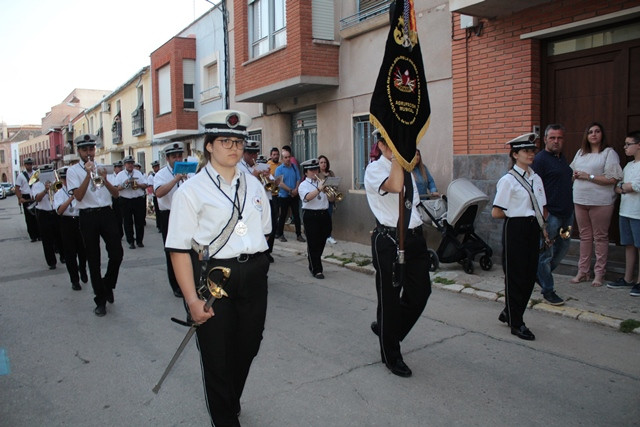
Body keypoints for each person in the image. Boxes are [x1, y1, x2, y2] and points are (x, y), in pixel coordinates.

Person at [165, 109, 271, 426]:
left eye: (238, 141)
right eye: (225, 141)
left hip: (254, 273)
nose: (234, 148)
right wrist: (192, 301)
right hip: (214, 277)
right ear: (209, 145)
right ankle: (224, 417)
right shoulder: (191, 191)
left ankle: (229, 399)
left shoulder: (253, 185)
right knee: (216, 354)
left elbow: (264, 230)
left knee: (249, 346)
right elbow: (179, 250)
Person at [364, 130, 431, 377]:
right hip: (390, 239)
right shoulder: (375, 169)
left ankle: (387, 332)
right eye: (392, 141)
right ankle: (390, 354)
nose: (399, 146)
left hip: (413, 237)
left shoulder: (407, 169)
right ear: (381, 145)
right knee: (390, 299)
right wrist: (395, 158)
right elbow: (394, 186)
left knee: (420, 293)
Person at [492, 133, 546, 341]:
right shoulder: (508, 180)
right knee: (516, 276)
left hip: (533, 228)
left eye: (532, 150)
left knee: (529, 275)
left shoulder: (536, 177)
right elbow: (497, 212)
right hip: (515, 227)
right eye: (526, 151)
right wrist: (517, 213)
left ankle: (510, 311)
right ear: (515, 155)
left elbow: (541, 206)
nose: (531, 154)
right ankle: (517, 322)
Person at [66, 134, 123, 317]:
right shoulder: (73, 171)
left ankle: (107, 285)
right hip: (87, 215)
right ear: (79, 152)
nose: (89, 153)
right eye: (85, 150)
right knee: (93, 259)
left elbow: (115, 194)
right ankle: (100, 300)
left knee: (117, 253)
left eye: (91, 149)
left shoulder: (103, 167)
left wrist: (104, 179)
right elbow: (79, 196)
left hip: (106, 212)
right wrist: (88, 175)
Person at [570, 122, 623, 287]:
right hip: (580, 199)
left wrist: (589, 176)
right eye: (590, 132)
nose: (593, 134)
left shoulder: (609, 153)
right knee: (584, 237)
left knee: (600, 237)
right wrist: (574, 176)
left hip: (601, 202)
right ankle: (583, 271)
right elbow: (571, 172)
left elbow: (613, 179)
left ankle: (599, 273)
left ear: (602, 134)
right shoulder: (580, 153)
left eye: (597, 131)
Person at [532, 124, 573, 306]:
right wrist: (543, 214)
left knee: (564, 247)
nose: (556, 141)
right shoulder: (540, 160)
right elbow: (535, 189)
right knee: (545, 253)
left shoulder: (561, 159)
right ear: (546, 139)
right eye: (552, 138)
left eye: (559, 138)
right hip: (551, 216)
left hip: (567, 215)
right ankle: (548, 290)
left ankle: (539, 273)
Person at [607, 130, 640, 297]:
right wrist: (626, 187)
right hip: (625, 211)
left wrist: (627, 187)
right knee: (629, 245)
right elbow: (619, 186)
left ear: (638, 145)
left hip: (638, 213)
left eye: (628, 144)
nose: (625, 147)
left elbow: (633, 187)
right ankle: (628, 278)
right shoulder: (628, 165)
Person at [154, 143, 189, 298]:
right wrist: (176, 179)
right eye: (174, 156)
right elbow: (159, 193)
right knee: (173, 251)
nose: (177, 159)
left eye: (179, 156)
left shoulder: (189, 170)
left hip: (187, 214)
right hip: (169, 215)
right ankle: (176, 285)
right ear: (167, 158)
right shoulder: (161, 174)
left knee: (190, 249)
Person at [54, 166, 88, 291]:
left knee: (83, 250)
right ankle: (74, 280)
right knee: (70, 253)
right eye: (64, 179)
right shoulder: (59, 192)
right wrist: (71, 198)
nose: (66, 181)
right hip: (66, 222)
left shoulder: (79, 189)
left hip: (80, 220)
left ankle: (83, 269)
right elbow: (59, 211)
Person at [299, 158, 333, 278]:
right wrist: (319, 189)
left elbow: (331, 199)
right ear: (306, 172)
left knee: (321, 241)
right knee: (313, 243)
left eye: (316, 169)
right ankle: (316, 269)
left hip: (324, 214)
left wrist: (331, 192)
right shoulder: (303, 185)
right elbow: (307, 197)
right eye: (312, 170)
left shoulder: (322, 182)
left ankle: (313, 260)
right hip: (311, 215)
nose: (315, 172)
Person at [31, 165, 64, 270]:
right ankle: (51, 262)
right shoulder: (36, 185)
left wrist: (54, 187)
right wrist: (45, 190)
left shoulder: (56, 183)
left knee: (60, 236)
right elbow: (37, 199)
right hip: (44, 213)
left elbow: (61, 193)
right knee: (47, 239)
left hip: (55, 212)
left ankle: (63, 256)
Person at [116, 156, 148, 249]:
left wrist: (138, 184)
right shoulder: (120, 175)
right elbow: (117, 188)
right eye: (128, 163)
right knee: (127, 222)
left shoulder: (138, 173)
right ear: (125, 164)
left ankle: (139, 240)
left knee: (139, 221)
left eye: (131, 163)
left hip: (138, 199)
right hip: (125, 200)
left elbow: (145, 185)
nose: (130, 165)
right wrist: (125, 184)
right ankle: (130, 241)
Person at [274, 148, 306, 243]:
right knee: (283, 215)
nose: (288, 159)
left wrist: (296, 189)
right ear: (282, 159)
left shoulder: (294, 167)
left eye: (289, 157)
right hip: (284, 195)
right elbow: (280, 183)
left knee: (296, 215)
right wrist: (290, 190)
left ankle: (299, 234)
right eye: (285, 157)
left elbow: (298, 178)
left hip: (294, 195)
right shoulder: (279, 169)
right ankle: (280, 234)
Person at [256, 154, 278, 263]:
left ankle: (268, 251)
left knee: (272, 226)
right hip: (257, 203)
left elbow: (274, 188)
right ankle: (261, 251)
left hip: (268, 201)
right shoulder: (254, 176)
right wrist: (259, 177)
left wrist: (268, 177)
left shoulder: (268, 175)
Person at [14, 157, 40, 242]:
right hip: (26, 197)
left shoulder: (36, 174)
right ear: (25, 165)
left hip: (35, 196)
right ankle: (33, 236)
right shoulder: (21, 176)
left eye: (30, 164)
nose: (29, 166)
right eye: (28, 164)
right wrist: (20, 198)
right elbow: (17, 188)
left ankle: (39, 235)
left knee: (38, 216)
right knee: (29, 218)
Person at [318, 155, 338, 245]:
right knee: (321, 219)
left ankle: (328, 236)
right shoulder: (317, 174)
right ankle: (322, 236)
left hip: (330, 199)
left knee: (329, 219)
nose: (323, 164)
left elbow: (335, 184)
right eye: (321, 162)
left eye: (325, 162)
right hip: (321, 199)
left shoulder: (330, 173)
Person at [108, 161, 124, 238]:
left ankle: (121, 233)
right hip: (113, 198)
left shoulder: (123, 175)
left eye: (121, 167)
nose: (120, 169)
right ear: (114, 168)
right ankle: (118, 233)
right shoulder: (110, 176)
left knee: (121, 217)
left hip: (122, 197)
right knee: (115, 217)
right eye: (118, 167)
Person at [148, 160, 161, 233]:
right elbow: (151, 187)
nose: (157, 168)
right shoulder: (151, 176)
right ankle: (159, 225)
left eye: (157, 166)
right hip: (156, 195)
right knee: (158, 212)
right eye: (155, 167)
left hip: (162, 195)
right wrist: (155, 194)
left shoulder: (161, 174)